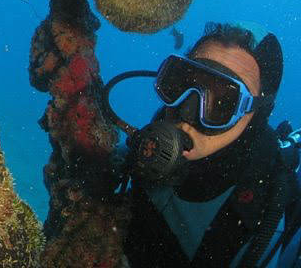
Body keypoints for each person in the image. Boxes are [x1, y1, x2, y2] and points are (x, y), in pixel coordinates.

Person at [115, 22, 301, 268]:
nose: (188, 112)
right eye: (183, 84)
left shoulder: (273, 216)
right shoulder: (135, 153)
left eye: (223, 103)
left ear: (256, 117)